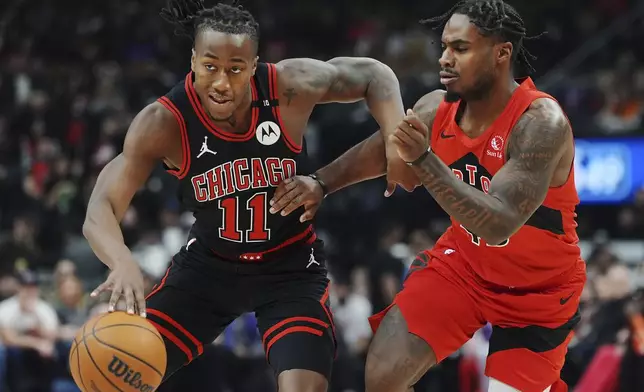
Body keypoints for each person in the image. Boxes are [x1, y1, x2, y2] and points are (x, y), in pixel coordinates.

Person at [82, 0, 418, 391]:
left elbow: (375, 75)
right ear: (193, 60)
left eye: (235, 69)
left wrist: (396, 140)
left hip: (290, 268)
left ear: (254, 65)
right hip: (208, 269)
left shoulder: (289, 86)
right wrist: (121, 260)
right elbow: (100, 209)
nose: (222, 83)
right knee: (120, 371)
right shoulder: (163, 121)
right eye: (210, 67)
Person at [270, 1, 586, 391]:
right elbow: (386, 148)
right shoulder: (437, 107)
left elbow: (499, 221)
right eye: (444, 47)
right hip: (465, 267)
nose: (444, 59)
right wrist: (321, 182)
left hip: (537, 291)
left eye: (460, 48)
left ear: (501, 53)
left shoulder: (540, 124)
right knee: (383, 374)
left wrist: (424, 158)